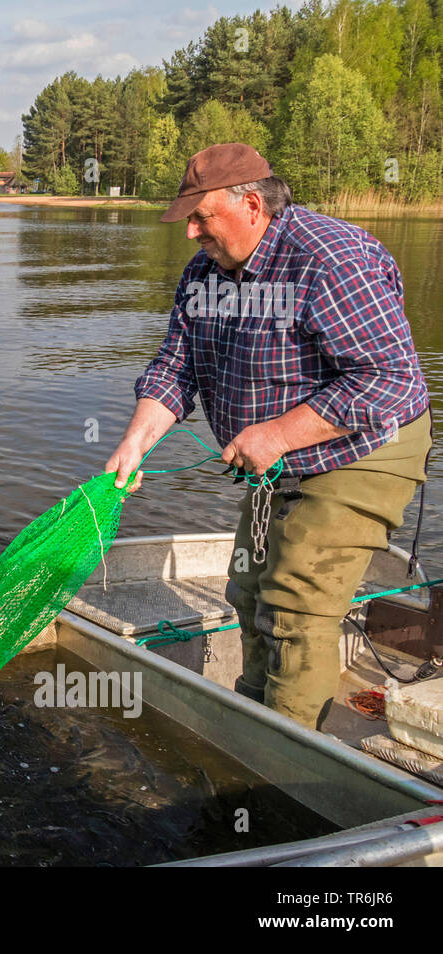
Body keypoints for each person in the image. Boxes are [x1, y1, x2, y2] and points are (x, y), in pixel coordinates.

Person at [104, 142, 431, 730]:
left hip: (362, 449)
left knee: (294, 607)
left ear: (252, 204)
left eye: (202, 218)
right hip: (275, 459)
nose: (191, 233)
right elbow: (176, 368)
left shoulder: (332, 258)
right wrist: (135, 443)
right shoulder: (206, 271)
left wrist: (278, 435)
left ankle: (281, 770)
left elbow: (389, 380)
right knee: (248, 593)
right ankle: (254, 720)